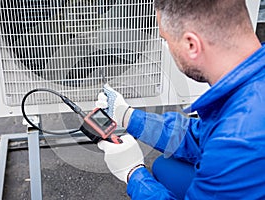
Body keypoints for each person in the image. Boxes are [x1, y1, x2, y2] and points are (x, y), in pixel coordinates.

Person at [96, 0, 265, 199]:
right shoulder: (249, 92)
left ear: (191, 44)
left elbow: (225, 143)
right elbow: (200, 136)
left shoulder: (238, 140)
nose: (167, 46)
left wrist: (134, 173)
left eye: (166, 40)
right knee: (165, 166)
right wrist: (128, 116)